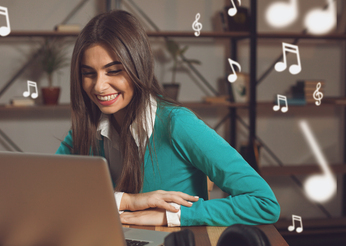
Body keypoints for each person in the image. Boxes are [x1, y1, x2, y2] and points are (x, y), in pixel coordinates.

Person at [56, 10, 280, 227]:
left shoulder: (177, 123)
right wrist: (129, 201)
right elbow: (51, 193)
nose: (99, 86)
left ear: (138, 67)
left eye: (114, 70)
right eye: (88, 73)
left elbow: (264, 203)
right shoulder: (85, 129)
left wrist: (172, 216)